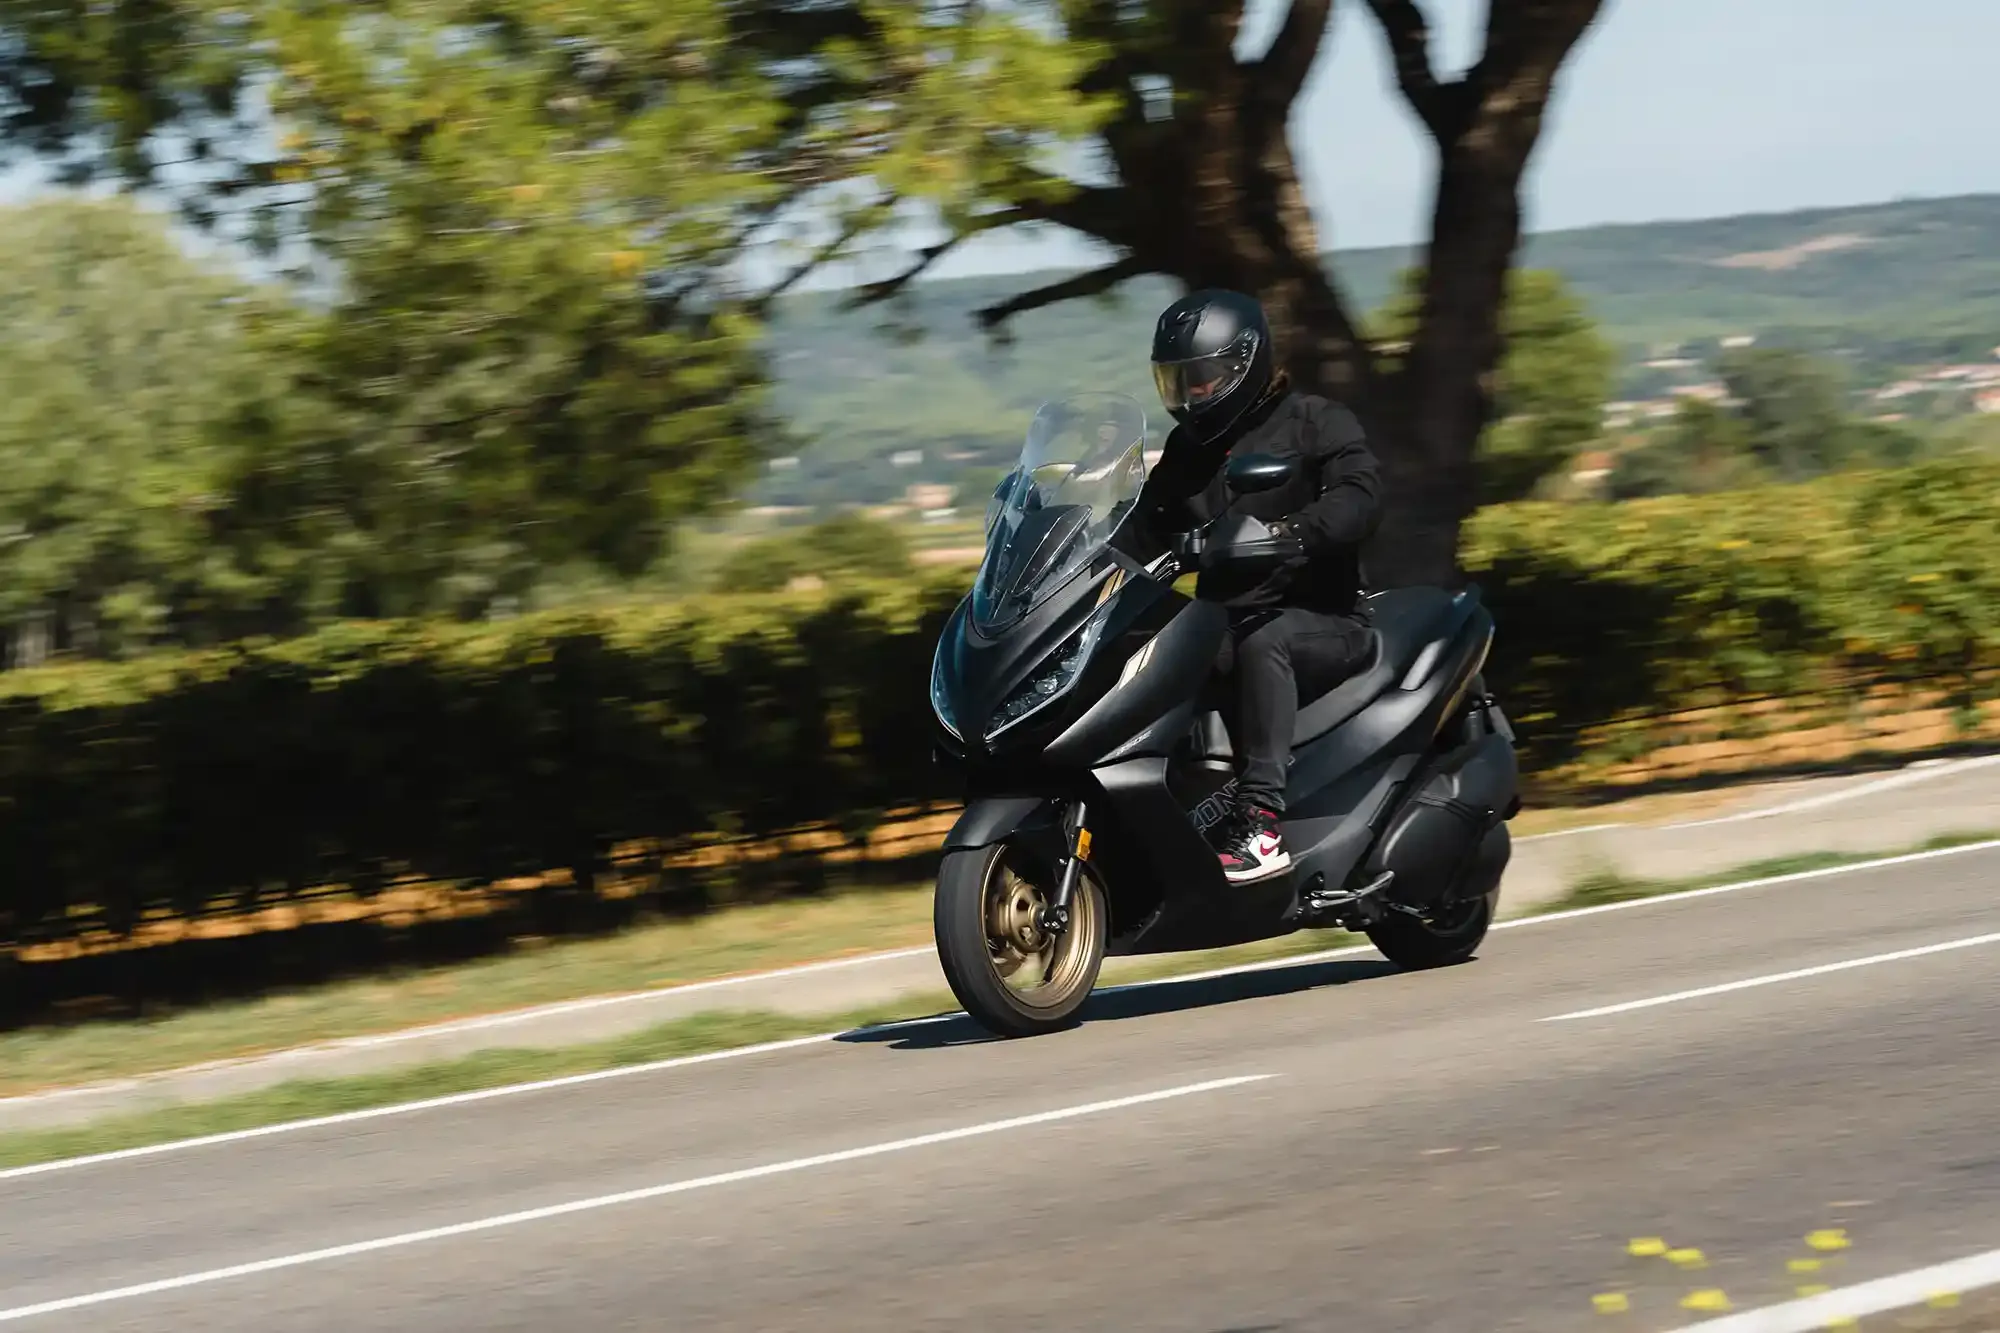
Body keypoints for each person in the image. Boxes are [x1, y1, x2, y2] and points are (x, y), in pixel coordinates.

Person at [1135, 288, 1383, 884]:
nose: (1191, 393)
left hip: (1326, 620)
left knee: (1263, 639)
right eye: (1179, 380)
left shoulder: (1315, 420)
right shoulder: (1187, 450)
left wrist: (1290, 533)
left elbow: (1360, 497)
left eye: (1203, 378)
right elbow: (1145, 523)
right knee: (1149, 653)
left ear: (1244, 365)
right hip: (1223, 621)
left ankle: (1262, 823)